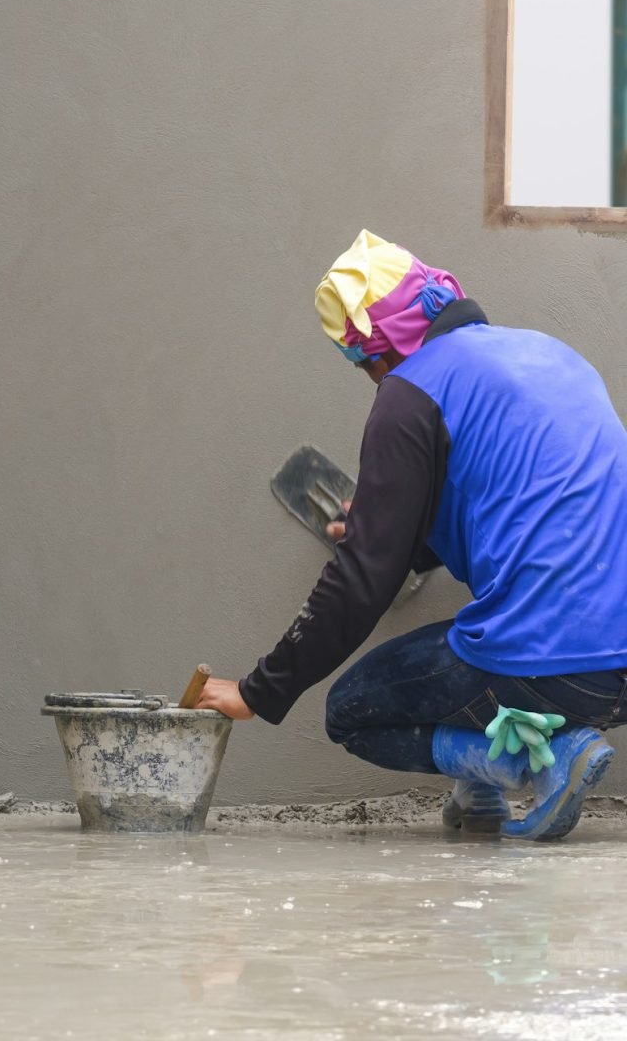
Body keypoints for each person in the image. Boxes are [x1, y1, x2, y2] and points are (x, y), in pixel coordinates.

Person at [195, 229, 627, 841]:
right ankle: (481, 797)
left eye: (362, 360)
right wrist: (388, 523)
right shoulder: (548, 355)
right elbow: (514, 507)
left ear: (382, 345)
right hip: (623, 667)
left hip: (554, 667)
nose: (370, 376)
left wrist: (259, 691)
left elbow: (363, 579)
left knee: (350, 712)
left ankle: (539, 761)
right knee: (485, 644)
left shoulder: (410, 392)